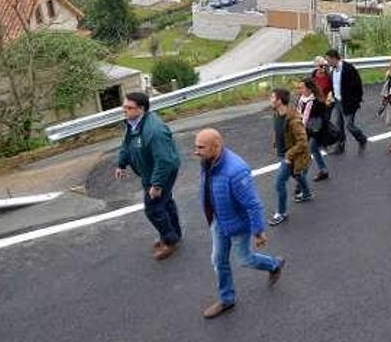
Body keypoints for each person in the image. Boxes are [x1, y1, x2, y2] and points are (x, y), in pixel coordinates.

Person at [195, 128, 286, 319]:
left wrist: (258, 231)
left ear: (216, 145)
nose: (196, 151)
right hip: (219, 220)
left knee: (244, 259)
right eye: (196, 146)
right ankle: (227, 299)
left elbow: (253, 204)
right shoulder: (207, 161)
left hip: (237, 224)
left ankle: (274, 264)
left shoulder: (236, 171)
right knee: (218, 260)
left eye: (201, 147)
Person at [114, 92, 182, 260]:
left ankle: (169, 240)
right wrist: (121, 164)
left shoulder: (154, 130)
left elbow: (165, 160)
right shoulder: (133, 124)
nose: (125, 111)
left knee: (153, 209)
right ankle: (175, 234)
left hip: (162, 172)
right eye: (124, 107)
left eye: (129, 108)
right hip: (149, 171)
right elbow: (127, 144)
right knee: (165, 203)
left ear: (141, 109)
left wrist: (157, 185)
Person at [268, 87, 313, 226]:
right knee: (297, 174)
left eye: (272, 98)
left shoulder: (294, 119)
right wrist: (276, 142)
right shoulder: (276, 113)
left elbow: (303, 142)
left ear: (279, 101)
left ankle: (281, 213)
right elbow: (279, 130)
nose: (270, 100)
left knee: (279, 183)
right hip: (286, 154)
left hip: (292, 156)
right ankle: (306, 194)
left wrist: (289, 155)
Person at [325, 49, 368, 154]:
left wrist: (356, 101)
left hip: (349, 103)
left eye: (329, 60)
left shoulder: (348, 68)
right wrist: (332, 96)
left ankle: (362, 139)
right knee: (339, 124)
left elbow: (358, 85)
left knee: (349, 125)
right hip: (338, 101)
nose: (328, 62)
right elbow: (333, 85)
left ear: (334, 58)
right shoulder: (332, 70)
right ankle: (340, 146)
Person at [295, 78, 332, 182]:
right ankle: (323, 170)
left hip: (316, 132)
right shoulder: (301, 100)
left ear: (310, 89)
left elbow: (321, 119)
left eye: (302, 87)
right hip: (306, 130)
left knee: (309, 151)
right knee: (314, 150)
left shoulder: (317, 102)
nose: (300, 90)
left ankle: (301, 180)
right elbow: (298, 114)